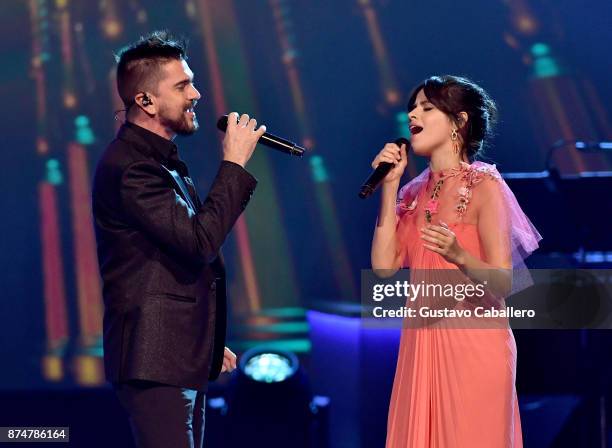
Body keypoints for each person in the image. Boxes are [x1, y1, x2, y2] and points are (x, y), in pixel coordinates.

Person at [92, 31, 266, 448]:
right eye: (183, 85)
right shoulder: (133, 168)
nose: (197, 93)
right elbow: (199, 242)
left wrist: (201, 337)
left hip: (174, 354)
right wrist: (234, 163)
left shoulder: (158, 162)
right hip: (154, 360)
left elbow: (175, 261)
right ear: (146, 101)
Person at [370, 75, 542, 447]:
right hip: (422, 345)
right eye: (412, 108)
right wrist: (389, 188)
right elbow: (384, 266)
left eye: (427, 108)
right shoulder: (412, 192)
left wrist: (460, 256)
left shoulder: (485, 185)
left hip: (475, 343)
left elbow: (504, 282)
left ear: (459, 122)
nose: (413, 115)